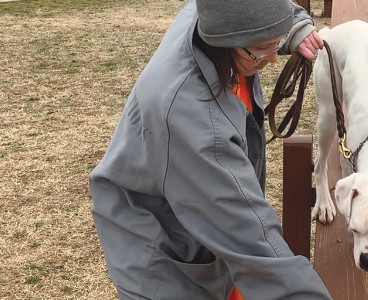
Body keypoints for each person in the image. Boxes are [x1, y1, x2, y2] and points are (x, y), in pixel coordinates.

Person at [87, 0, 331, 298]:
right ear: (230, 40)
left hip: (198, 224)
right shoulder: (193, 117)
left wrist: (295, 30)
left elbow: (266, 7)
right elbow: (252, 243)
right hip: (158, 253)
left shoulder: (211, 13)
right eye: (264, 48)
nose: (273, 59)